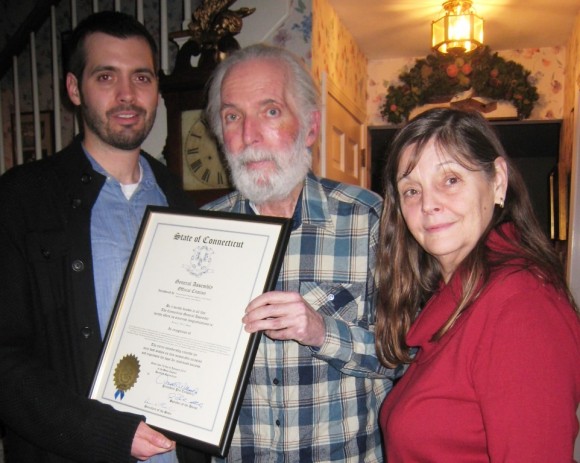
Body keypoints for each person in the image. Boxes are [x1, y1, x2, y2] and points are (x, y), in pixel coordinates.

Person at [0, 11, 207, 463]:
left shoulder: (186, 206)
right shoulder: (20, 199)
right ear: (75, 88)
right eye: (106, 76)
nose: (128, 95)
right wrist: (107, 433)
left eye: (142, 77)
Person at [201, 43, 397, 462]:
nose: (249, 135)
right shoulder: (200, 232)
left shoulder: (370, 220)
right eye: (232, 116)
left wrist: (322, 332)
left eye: (270, 111)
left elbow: (406, 356)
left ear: (309, 127)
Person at [375, 107, 580, 461]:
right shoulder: (461, 297)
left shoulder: (520, 308)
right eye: (411, 190)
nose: (429, 204)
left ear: (497, 181)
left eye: (450, 180)